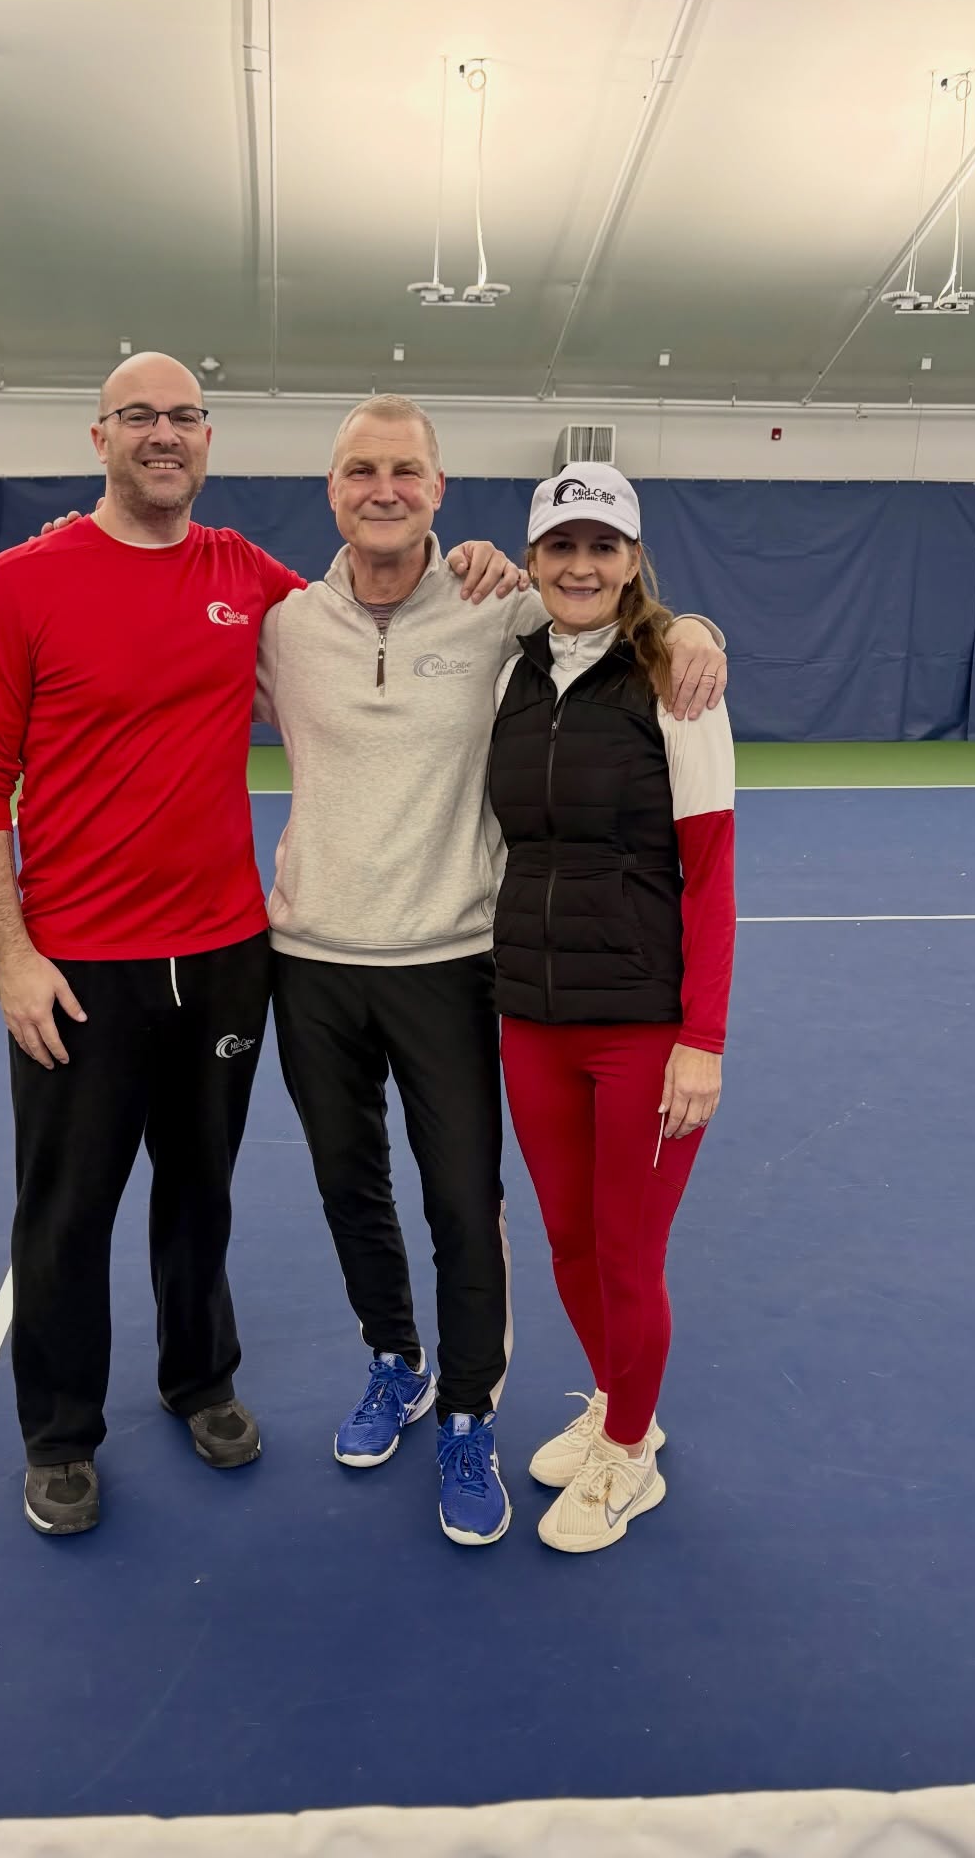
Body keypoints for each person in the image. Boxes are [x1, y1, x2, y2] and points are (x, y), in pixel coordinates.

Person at [0, 354, 520, 1538]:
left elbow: (401, 604)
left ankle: (200, 1384)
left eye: (184, 418)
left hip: (225, 953)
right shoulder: (19, 580)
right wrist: (12, 958)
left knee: (200, 1199)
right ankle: (60, 1435)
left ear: (210, 441)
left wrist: (500, 564)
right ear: (99, 433)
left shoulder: (249, 582)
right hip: (79, 968)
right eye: (140, 417)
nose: (164, 435)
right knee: (65, 1213)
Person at [256, 402, 728, 1546]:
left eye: (404, 469)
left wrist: (699, 626)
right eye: (360, 469)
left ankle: (492, 1417)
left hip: (480, 973)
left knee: (494, 1213)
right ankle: (417, 1370)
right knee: (374, 1197)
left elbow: (704, 847)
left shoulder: (545, 628)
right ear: (330, 489)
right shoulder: (289, 622)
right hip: (342, 968)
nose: (382, 487)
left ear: (439, 486)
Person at [488, 463, 736, 1555]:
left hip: (641, 1029)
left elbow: (712, 873)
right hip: (530, 1017)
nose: (580, 567)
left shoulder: (676, 680)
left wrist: (703, 1042)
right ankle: (615, 1404)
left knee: (629, 1259)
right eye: (561, 547)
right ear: (535, 559)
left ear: (634, 561)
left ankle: (630, 1455)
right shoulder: (514, 666)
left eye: (603, 547)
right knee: (569, 1246)